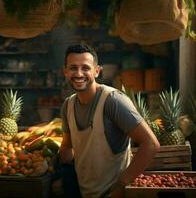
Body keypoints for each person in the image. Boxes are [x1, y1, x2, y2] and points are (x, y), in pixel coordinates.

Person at [58, 43, 160, 198]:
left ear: (97, 71)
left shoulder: (112, 100)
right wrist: (61, 176)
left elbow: (151, 144)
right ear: (65, 71)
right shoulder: (68, 105)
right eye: (73, 68)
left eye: (85, 68)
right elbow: (66, 147)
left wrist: (121, 184)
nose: (79, 73)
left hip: (112, 194)